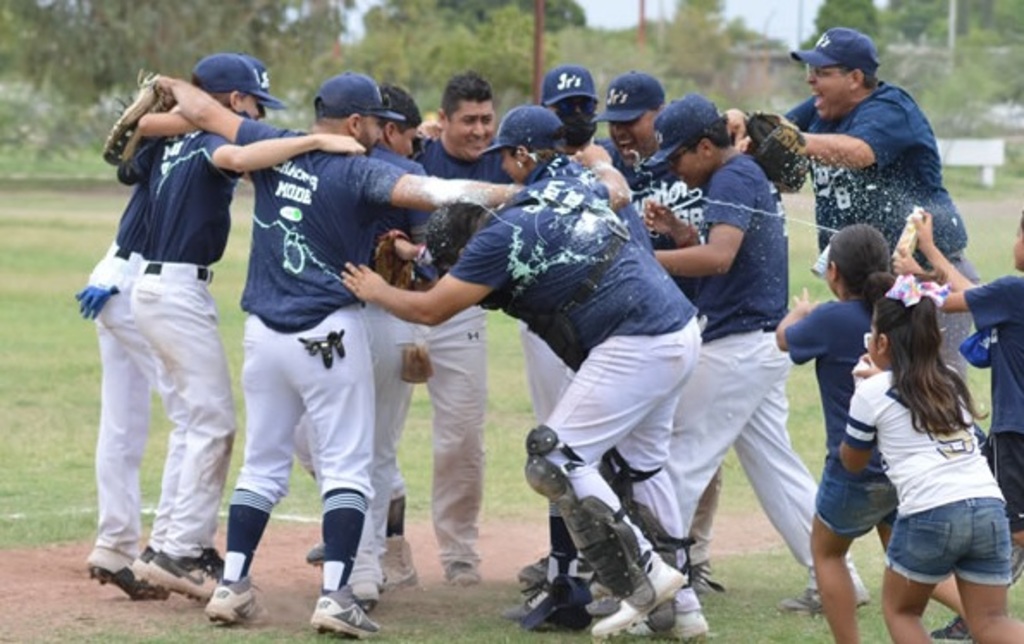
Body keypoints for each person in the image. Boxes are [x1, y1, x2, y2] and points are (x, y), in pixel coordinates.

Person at [154, 70, 519, 635]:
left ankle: (233, 585)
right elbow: (439, 193)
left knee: (261, 466)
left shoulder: (273, 146)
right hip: (328, 333)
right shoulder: (361, 170)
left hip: (263, 334)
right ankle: (336, 597)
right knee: (349, 467)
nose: (379, 130)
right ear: (354, 122)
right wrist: (524, 195)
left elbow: (205, 112)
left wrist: (170, 83)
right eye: (375, 121)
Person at [342, 104, 705, 641]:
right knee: (643, 468)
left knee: (555, 455)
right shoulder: (570, 181)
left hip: (638, 340)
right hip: (677, 328)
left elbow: (432, 309)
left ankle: (647, 578)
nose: (503, 167)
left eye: (506, 157)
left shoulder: (498, 238)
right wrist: (602, 161)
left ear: (521, 154)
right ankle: (685, 611)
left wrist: (375, 290)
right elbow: (612, 182)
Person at [647, 93, 869, 615]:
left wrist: (646, 257)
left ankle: (659, 593)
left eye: (677, 158)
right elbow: (728, 253)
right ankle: (839, 579)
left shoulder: (731, 177)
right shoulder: (741, 174)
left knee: (679, 462)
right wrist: (680, 234)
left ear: (705, 147)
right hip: (760, 343)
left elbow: (720, 257)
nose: (674, 172)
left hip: (739, 346)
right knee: (776, 469)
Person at [127, 52, 288, 601]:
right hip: (176, 291)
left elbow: (131, 158)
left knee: (190, 422)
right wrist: (311, 142)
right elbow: (240, 152)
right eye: (255, 103)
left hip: (153, 287)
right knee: (215, 423)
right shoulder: (209, 140)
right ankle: (182, 551)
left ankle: (166, 545)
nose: (258, 113)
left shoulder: (169, 141)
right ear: (234, 99)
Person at [776, 224, 963, 642]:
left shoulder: (828, 319)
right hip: (904, 464)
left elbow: (784, 340)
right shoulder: (901, 310)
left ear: (833, 272)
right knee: (909, 560)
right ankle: (981, 615)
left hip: (853, 465)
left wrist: (799, 312)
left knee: (827, 553)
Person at [593, 69, 724, 597]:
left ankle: (694, 553)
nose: (621, 130)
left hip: (694, 319)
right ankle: (625, 552)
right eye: (614, 121)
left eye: (632, 120)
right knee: (628, 443)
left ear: (659, 115)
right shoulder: (608, 165)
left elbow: (708, 243)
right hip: (627, 323)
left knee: (692, 443)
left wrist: (674, 235)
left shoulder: (692, 162)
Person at [841, 272, 1024, 643]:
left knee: (902, 611)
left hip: (931, 510)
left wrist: (867, 391)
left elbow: (853, 462)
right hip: (989, 507)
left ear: (881, 342)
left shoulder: (872, 391)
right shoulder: (951, 381)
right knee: (991, 622)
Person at [784, 26, 974, 375]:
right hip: (872, 287)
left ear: (855, 78)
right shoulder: (822, 109)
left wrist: (795, 141)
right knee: (878, 388)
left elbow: (859, 152)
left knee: (935, 389)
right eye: (811, 70)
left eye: (822, 72)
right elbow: (778, 130)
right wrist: (745, 124)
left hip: (928, 274)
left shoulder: (891, 107)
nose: (811, 80)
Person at [895, 210, 1024, 640]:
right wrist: (929, 253)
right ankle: (978, 614)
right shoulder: (1009, 295)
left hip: (1016, 432)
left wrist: (908, 281)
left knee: (1012, 528)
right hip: (1011, 432)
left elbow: (948, 302)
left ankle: (983, 617)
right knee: (1001, 522)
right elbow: (973, 294)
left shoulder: (1014, 290)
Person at [413, 70, 513, 586]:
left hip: (461, 311)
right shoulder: (418, 155)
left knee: (462, 437)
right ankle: (380, 544)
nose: (479, 130)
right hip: (400, 304)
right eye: (468, 120)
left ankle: (459, 552)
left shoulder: (504, 160)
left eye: (486, 119)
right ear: (443, 120)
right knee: (368, 430)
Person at [76, 141, 182, 602]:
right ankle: (171, 548)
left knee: (122, 422)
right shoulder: (188, 147)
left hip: (112, 277)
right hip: (138, 284)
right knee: (194, 415)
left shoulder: (164, 147)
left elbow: (128, 172)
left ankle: (114, 546)